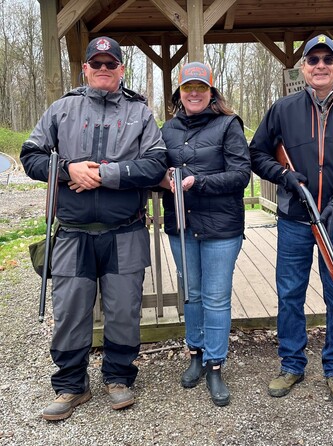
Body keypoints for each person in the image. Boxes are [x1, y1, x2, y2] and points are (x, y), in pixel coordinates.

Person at [20, 36, 167, 420]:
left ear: (121, 69)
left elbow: (156, 164)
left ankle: (119, 378)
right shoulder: (60, 109)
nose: (104, 69)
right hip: (72, 232)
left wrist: (105, 175)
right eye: (96, 64)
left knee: (123, 310)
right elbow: (31, 156)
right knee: (69, 310)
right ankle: (71, 385)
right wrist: (68, 169)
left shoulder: (140, 113)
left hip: (126, 231)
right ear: (84, 68)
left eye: (111, 64)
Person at [249, 34, 333, 406]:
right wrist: (284, 176)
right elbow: (257, 153)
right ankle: (291, 364)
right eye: (313, 59)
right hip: (295, 217)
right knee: (290, 293)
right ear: (303, 67)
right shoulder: (283, 109)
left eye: (327, 59)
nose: (320, 65)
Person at [159, 62, 251, 406]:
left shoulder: (229, 125)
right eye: (187, 88)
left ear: (212, 92)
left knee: (215, 297)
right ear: (178, 94)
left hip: (222, 227)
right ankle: (195, 353)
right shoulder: (166, 129)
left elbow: (241, 174)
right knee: (192, 294)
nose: (194, 93)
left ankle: (215, 364)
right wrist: (162, 179)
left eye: (201, 87)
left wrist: (200, 181)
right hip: (181, 225)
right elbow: (155, 167)